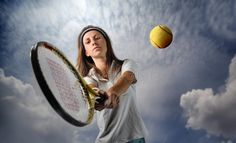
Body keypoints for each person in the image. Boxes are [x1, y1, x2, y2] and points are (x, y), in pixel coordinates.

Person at [77, 25, 147, 143]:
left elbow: (127, 78)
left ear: (106, 42)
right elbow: (91, 90)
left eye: (97, 38)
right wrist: (98, 98)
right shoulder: (88, 78)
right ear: (86, 52)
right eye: (88, 42)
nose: (93, 42)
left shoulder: (127, 64)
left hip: (135, 138)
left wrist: (112, 92)